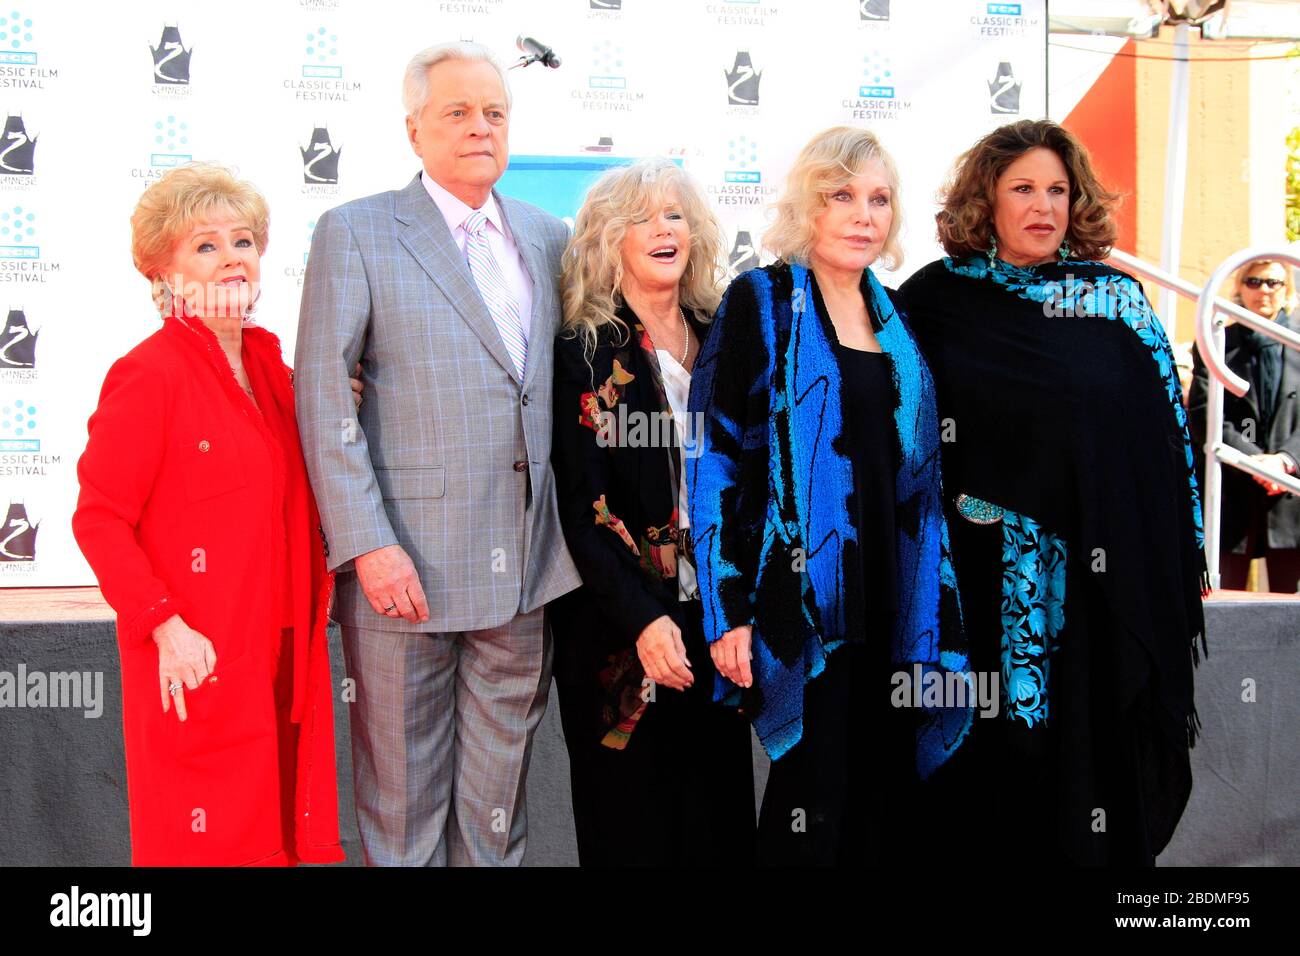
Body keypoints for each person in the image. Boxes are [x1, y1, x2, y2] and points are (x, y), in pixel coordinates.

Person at [294, 41, 580, 867]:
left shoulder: (547, 235)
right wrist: (369, 545)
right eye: (457, 112)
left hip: (524, 576)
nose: (479, 127)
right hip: (403, 575)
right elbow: (323, 397)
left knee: (497, 815)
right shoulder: (354, 232)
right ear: (414, 128)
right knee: (404, 813)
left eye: (495, 112)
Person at [898, 119, 1207, 865]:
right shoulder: (934, 301)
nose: (1043, 206)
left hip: (1101, 593)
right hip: (969, 590)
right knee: (983, 781)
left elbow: (1166, 442)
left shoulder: (1115, 303)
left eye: (1058, 191)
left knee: (1090, 771)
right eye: (1023, 189)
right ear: (987, 201)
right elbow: (892, 429)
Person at [688, 127, 972, 865]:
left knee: (887, 795)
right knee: (810, 802)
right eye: (841, 196)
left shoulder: (898, 316)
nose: (862, 214)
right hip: (807, 601)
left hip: (899, 594)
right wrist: (727, 612)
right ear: (807, 208)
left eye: (878, 199)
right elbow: (713, 457)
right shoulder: (764, 301)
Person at [72, 163, 346, 866]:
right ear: (162, 272)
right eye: (205, 245)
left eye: (243, 241)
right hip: (197, 656)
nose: (231, 257)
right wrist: (165, 624)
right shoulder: (150, 373)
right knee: (210, 841)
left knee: (282, 837)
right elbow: (99, 519)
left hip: (287, 657)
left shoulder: (273, 372)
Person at [548, 159, 754, 865]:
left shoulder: (723, 332)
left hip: (715, 625)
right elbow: (586, 505)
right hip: (619, 633)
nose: (664, 229)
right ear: (610, 239)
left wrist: (740, 607)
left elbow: (753, 481)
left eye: (675, 215)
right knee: (633, 829)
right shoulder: (585, 346)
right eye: (642, 217)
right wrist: (644, 618)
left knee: (719, 822)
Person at [1188, 257, 1300, 592]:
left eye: (1272, 282)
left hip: (1289, 493)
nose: (1263, 290)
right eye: (1253, 282)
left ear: (1287, 290)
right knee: (1224, 601)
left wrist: (1284, 460)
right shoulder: (1217, 340)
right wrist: (1253, 461)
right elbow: (1203, 410)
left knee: (1289, 614)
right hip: (1232, 488)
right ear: (1239, 288)